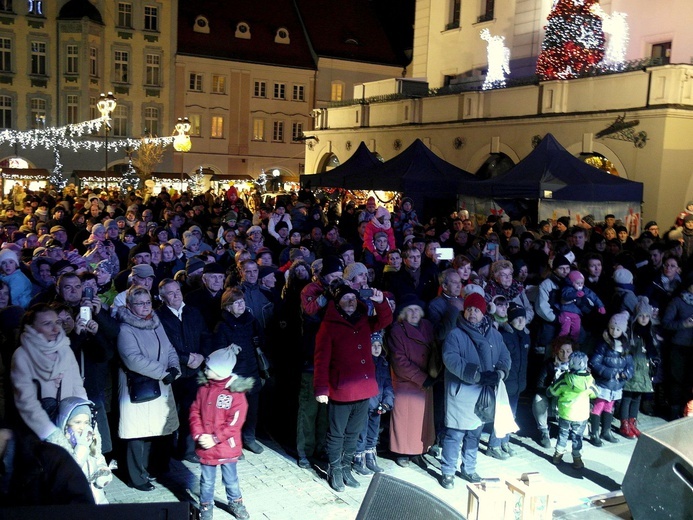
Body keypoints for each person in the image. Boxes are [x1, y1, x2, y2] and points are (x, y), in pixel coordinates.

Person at [314, 282, 393, 492]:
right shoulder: (329, 325)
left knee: (354, 432)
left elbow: (385, 319)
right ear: (337, 303)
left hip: (363, 388)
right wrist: (321, 389)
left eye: (352, 298)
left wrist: (381, 302)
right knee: (337, 433)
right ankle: (335, 469)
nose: (350, 302)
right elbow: (321, 361)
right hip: (341, 389)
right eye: (345, 299)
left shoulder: (363, 320)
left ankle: (347, 467)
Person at [439, 293, 510, 489]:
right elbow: (451, 359)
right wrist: (476, 375)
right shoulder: (455, 335)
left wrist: (501, 373)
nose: (472, 313)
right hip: (461, 393)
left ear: (483, 312)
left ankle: (469, 468)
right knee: (455, 434)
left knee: (474, 434)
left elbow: (505, 356)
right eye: (469, 309)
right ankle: (448, 471)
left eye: (476, 310)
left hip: (483, 395)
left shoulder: (495, 335)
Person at [116, 286, 180, 491]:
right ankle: (136, 476)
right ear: (129, 305)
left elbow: (169, 347)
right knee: (138, 433)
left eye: (148, 302)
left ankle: (152, 468)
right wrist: (163, 372)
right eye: (140, 303)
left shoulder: (154, 322)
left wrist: (174, 367)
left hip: (160, 383)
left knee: (155, 429)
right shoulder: (125, 328)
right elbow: (132, 359)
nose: (145, 307)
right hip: (139, 387)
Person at [10, 304, 88, 446]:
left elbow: (78, 387)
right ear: (31, 327)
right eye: (47, 324)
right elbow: (26, 401)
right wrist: (52, 434)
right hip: (37, 432)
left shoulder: (65, 350)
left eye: (57, 322)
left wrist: (84, 417)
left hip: (68, 424)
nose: (55, 328)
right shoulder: (22, 355)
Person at [190, 346, 253, 520]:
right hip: (206, 446)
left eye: (209, 368)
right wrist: (199, 435)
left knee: (231, 479)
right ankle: (206, 505)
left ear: (220, 371)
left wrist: (215, 438)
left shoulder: (235, 394)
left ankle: (235, 503)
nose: (205, 370)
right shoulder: (203, 389)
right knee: (207, 480)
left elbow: (234, 422)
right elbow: (195, 412)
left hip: (226, 446)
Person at [213, 287, 265, 455]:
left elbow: (262, 340)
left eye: (242, 301)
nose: (241, 305)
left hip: (251, 369)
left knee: (253, 409)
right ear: (228, 306)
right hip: (234, 374)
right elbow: (219, 352)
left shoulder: (251, 320)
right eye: (237, 302)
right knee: (234, 411)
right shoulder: (222, 326)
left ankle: (249, 438)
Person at [388, 294, 436, 468]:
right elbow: (399, 361)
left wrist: (433, 372)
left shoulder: (428, 327)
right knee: (405, 420)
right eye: (410, 310)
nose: (414, 313)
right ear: (403, 314)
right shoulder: (397, 330)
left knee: (420, 421)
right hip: (407, 382)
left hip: (425, 381)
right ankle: (402, 452)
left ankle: (418, 450)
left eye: (417, 310)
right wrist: (422, 378)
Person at [589, 311, 634, 446]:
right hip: (604, 382)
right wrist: (610, 373)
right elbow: (594, 362)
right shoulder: (603, 344)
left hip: (617, 384)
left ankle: (606, 431)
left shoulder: (625, 346)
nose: (614, 331)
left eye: (618, 329)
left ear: (623, 330)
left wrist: (627, 373)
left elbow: (630, 364)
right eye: (612, 328)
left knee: (609, 407)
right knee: (599, 406)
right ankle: (594, 433)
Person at [56, 397, 113, 504]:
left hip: (97, 496)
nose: (82, 427)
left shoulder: (89, 438)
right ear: (66, 423)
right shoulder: (61, 445)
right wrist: (83, 445)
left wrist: (103, 471)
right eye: (77, 422)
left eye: (86, 422)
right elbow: (73, 468)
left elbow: (98, 457)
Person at [548, 352, 598, 470]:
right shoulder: (589, 381)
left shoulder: (564, 379)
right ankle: (577, 459)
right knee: (577, 437)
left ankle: (557, 455)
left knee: (563, 434)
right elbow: (596, 393)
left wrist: (549, 390)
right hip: (581, 415)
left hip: (565, 414)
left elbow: (553, 391)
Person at [352, 331, 393, 475]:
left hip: (378, 406)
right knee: (361, 433)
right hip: (366, 405)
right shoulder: (364, 362)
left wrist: (387, 402)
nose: (376, 348)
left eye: (379, 345)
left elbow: (388, 383)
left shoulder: (383, 363)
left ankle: (370, 459)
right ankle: (358, 459)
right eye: (373, 345)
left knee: (373, 433)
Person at [621, 297, 658, 438]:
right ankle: (624, 423)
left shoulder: (649, 333)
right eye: (641, 316)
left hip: (644, 369)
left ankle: (632, 422)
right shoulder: (631, 331)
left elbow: (653, 350)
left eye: (647, 316)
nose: (644, 319)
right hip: (632, 368)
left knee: (638, 397)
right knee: (628, 396)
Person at [532, 337, 575, 448]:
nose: (565, 355)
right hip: (551, 398)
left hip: (568, 400)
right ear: (556, 351)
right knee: (538, 399)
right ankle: (544, 431)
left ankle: (571, 429)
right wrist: (552, 386)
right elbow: (539, 385)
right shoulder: (549, 364)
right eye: (562, 351)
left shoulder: (577, 365)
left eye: (568, 351)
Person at [557, 270, 606, 341]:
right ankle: (559, 344)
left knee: (576, 331)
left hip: (577, 314)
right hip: (566, 312)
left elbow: (593, 296)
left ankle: (573, 346)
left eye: (581, 283)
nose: (580, 285)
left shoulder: (584, 289)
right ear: (571, 282)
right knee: (565, 330)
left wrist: (600, 305)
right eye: (577, 283)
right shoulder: (567, 288)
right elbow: (565, 296)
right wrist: (575, 294)